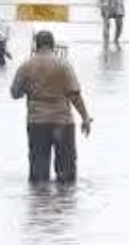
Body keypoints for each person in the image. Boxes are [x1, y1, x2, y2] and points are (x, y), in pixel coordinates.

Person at [9, 30, 93, 184]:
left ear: (36, 46)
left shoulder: (26, 66)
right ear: (53, 45)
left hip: (37, 122)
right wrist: (85, 117)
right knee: (66, 175)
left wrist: (29, 89)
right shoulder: (64, 65)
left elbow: (15, 93)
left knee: (38, 175)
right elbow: (74, 94)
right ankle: (65, 205)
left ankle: (38, 205)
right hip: (62, 122)